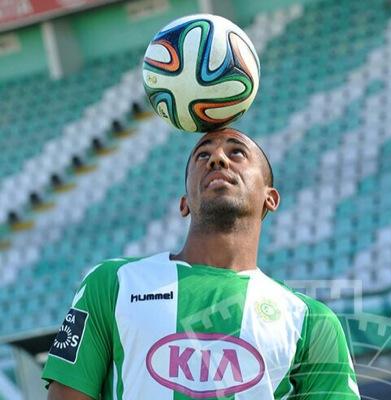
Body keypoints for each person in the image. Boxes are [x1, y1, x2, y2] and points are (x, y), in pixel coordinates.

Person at [43, 127, 360, 399]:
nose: (217, 159)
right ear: (184, 203)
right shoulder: (113, 283)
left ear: (271, 198)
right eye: (202, 155)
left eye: (237, 153)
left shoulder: (311, 321)